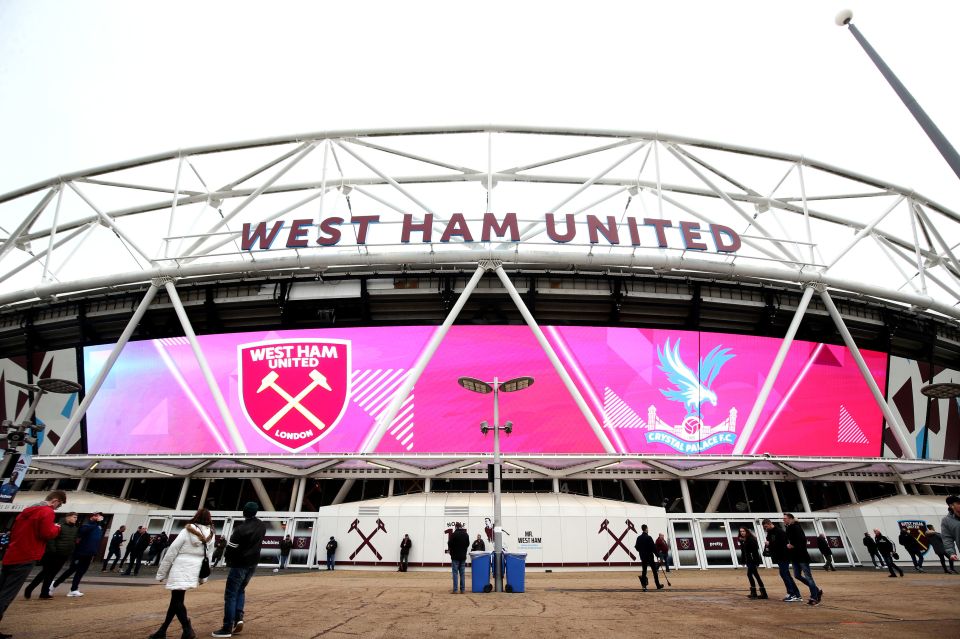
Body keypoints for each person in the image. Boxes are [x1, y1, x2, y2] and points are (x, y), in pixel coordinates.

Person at [0, 490, 64, 638]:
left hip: (12, 553)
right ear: (55, 501)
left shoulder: (26, 511)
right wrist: (57, 528)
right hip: (27, 555)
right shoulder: (47, 512)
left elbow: (14, 531)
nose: (57, 508)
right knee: (7, 594)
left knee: (2, 588)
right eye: (58, 505)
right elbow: (47, 533)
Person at [149, 508, 214, 639]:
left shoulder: (186, 531)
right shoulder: (210, 535)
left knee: (177, 600)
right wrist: (203, 577)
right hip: (195, 568)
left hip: (181, 567)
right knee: (176, 600)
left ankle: (187, 628)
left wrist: (162, 573)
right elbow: (209, 555)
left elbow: (172, 550)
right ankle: (162, 630)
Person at [212, 501, 266, 638]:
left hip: (239, 564)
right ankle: (239, 618)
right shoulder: (261, 526)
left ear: (244, 512)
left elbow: (230, 549)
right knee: (241, 590)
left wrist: (228, 561)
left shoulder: (240, 529)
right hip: (252, 563)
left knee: (230, 594)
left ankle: (227, 627)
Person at [25, 511, 78, 599]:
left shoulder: (75, 528)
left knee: (52, 574)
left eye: (76, 517)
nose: (75, 519)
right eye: (74, 517)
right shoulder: (59, 526)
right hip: (53, 554)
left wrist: (71, 550)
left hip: (64, 555)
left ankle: (44, 593)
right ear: (68, 517)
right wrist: (53, 550)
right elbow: (51, 538)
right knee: (45, 573)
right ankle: (30, 588)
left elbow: (73, 540)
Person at [52, 511, 105, 597]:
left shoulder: (98, 527)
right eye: (97, 516)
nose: (99, 517)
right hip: (81, 552)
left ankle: (74, 589)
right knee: (71, 570)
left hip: (89, 553)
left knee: (81, 572)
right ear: (91, 517)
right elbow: (83, 532)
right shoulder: (86, 525)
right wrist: (96, 522)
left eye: (100, 516)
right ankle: (54, 584)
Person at [783, 514, 821, 606]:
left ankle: (814, 597)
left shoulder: (796, 527)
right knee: (797, 575)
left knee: (808, 577)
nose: (783, 520)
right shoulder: (789, 527)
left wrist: (793, 545)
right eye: (783, 518)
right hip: (795, 556)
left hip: (802, 556)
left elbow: (802, 540)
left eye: (785, 518)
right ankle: (816, 590)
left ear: (791, 519)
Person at [737, 527, 767, 599]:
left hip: (753, 560)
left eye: (743, 531)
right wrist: (743, 561)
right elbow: (743, 552)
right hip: (749, 560)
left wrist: (756, 562)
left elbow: (755, 552)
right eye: (741, 531)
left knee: (752, 575)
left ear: (747, 531)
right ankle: (757, 592)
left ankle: (759, 593)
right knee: (753, 575)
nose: (742, 533)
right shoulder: (743, 540)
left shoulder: (751, 540)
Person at [634, 524, 662, 592]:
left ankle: (644, 587)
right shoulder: (649, 537)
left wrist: (641, 552)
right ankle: (657, 585)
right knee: (654, 571)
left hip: (643, 557)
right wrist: (658, 555)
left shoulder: (639, 538)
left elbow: (636, 547)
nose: (648, 529)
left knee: (644, 571)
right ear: (646, 529)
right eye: (647, 528)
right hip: (649, 557)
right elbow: (653, 548)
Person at [447, 523, 469, 594]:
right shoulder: (466, 534)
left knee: (455, 573)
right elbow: (467, 544)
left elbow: (449, 544)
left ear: (456, 527)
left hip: (455, 557)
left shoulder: (453, 534)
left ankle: (455, 590)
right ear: (461, 527)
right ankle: (462, 590)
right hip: (463, 556)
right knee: (462, 574)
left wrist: (453, 549)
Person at [941, 495, 960, 569]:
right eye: (958, 503)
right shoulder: (946, 521)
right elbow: (947, 538)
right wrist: (951, 553)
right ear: (951, 506)